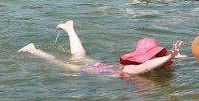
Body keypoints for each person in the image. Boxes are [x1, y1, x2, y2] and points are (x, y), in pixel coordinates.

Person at [18, 20, 185, 76]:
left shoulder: (138, 66)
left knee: (79, 54)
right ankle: (34, 50)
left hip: (99, 66)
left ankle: (70, 28)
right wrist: (169, 57)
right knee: (64, 63)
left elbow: (152, 64)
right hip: (93, 70)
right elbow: (148, 66)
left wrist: (170, 58)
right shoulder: (130, 70)